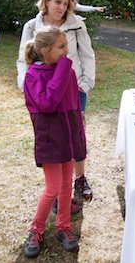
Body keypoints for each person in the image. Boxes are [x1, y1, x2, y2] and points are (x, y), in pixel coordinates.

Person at [17, 0, 96, 201]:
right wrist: (26, 85)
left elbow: (87, 54)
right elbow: (22, 58)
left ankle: (79, 178)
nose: (61, 7)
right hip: (44, 94)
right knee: (52, 138)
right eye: (57, 2)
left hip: (72, 89)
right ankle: (57, 189)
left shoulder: (76, 25)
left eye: (65, 3)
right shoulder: (32, 27)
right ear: (46, 2)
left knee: (76, 133)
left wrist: (86, 82)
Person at [22, 26, 86, 257]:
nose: (66, 51)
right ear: (44, 51)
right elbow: (48, 103)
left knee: (66, 185)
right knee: (52, 188)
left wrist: (79, 134)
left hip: (68, 136)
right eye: (61, 47)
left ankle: (63, 226)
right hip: (50, 139)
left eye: (66, 45)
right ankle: (36, 229)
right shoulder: (33, 76)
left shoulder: (66, 72)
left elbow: (74, 107)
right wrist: (61, 70)